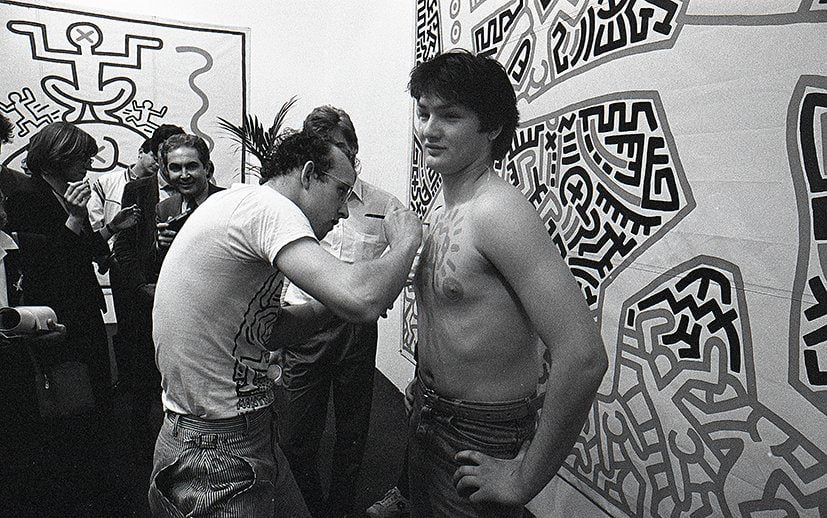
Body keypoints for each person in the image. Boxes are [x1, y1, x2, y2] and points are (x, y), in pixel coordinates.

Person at [148, 130, 422, 516]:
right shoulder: (271, 208)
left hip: (230, 433)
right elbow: (362, 300)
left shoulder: (243, 203)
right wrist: (407, 240)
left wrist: (338, 300)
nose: (344, 211)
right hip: (217, 451)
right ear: (307, 175)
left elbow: (272, 330)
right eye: (341, 191)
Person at [406, 50, 608, 516]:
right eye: (424, 112)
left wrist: (523, 480)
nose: (429, 129)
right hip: (429, 412)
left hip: (479, 434)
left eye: (450, 116)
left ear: (492, 127)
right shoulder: (441, 204)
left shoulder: (498, 211)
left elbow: (583, 356)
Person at [0, 121, 139, 512]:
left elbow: (82, 250)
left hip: (84, 310)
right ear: (57, 156)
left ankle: (94, 481)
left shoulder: (65, 191)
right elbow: (43, 266)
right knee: (70, 402)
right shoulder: (28, 196)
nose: (88, 164)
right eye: (81, 157)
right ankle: (77, 489)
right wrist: (76, 219)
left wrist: (109, 229)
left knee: (95, 397)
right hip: (56, 317)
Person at [278, 106, 405, 517]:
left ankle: (340, 508)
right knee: (297, 434)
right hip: (305, 325)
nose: (340, 155)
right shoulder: (292, 204)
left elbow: (406, 262)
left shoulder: (384, 204)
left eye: (345, 146)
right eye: (328, 147)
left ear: (354, 147)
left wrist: (382, 291)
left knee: (353, 430)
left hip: (356, 329)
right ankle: (310, 508)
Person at [154, 133, 224, 266]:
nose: (184, 175)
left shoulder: (229, 202)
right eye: (176, 168)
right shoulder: (164, 209)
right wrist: (160, 246)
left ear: (207, 168)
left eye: (191, 166)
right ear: (167, 172)